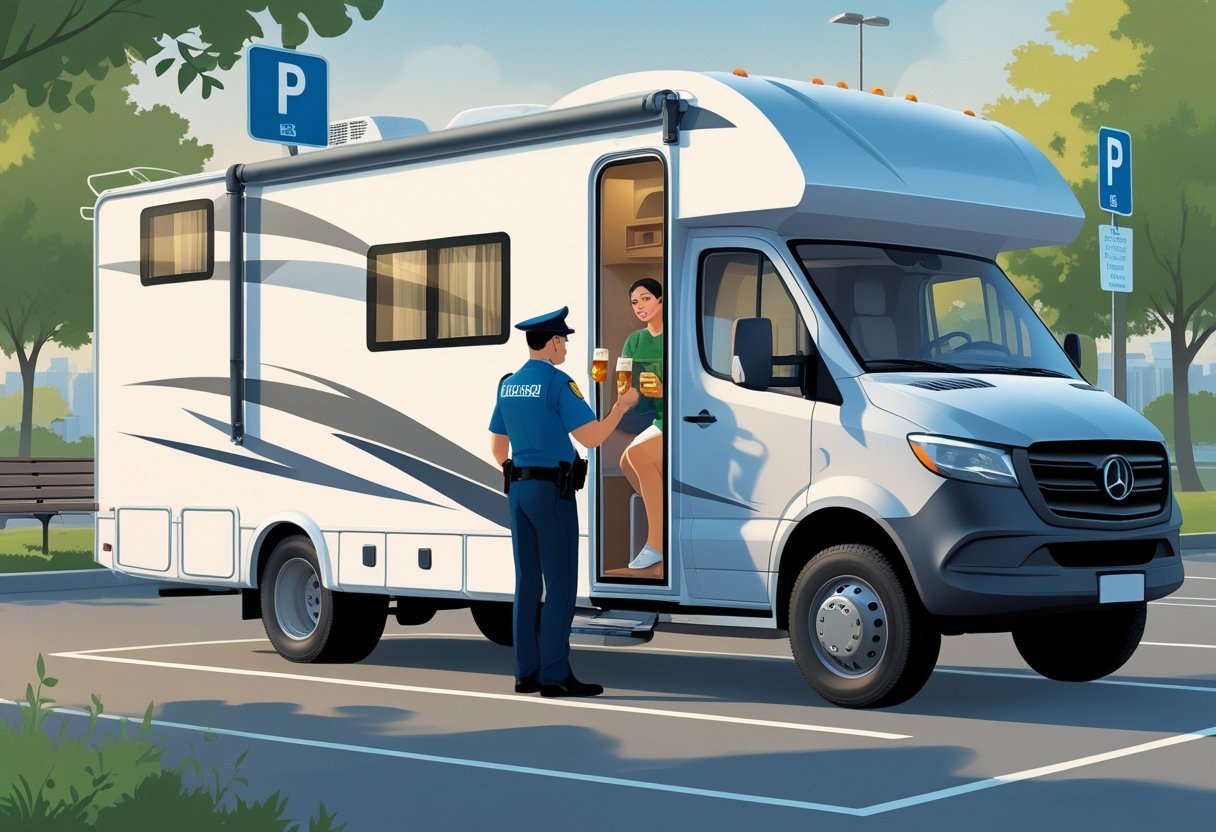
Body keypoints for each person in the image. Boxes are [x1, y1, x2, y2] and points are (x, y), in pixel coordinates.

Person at [489, 306, 639, 697]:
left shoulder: (508, 385)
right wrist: (621, 407)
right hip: (551, 493)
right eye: (565, 341)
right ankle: (554, 674)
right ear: (553, 342)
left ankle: (526, 673)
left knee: (526, 583)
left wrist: (522, 463)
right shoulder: (558, 383)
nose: (567, 347)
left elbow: (496, 448)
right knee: (559, 584)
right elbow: (591, 438)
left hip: (518, 491)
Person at [619, 278, 665, 570]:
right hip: (658, 417)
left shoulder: (676, 334)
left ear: (661, 300)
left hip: (681, 415)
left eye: (646, 299)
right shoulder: (634, 341)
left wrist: (664, 390)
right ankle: (665, 519)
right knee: (625, 462)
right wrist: (625, 393)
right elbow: (626, 384)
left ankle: (658, 543)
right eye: (635, 302)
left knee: (637, 455)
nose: (640, 307)